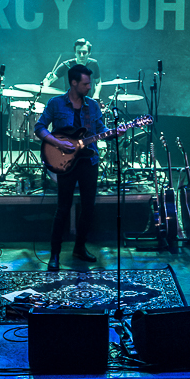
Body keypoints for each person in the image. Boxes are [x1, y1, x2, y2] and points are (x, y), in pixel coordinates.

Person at [35, 64, 123, 271]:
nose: (89, 87)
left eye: (90, 83)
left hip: (88, 161)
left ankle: (79, 248)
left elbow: (100, 129)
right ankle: (55, 254)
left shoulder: (93, 106)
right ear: (73, 83)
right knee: (63, 208)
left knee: (88, 207)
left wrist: (114, 133)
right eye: (85, 84)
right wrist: (57, 143)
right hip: (64, 161)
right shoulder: (56, 103)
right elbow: (39, 127)